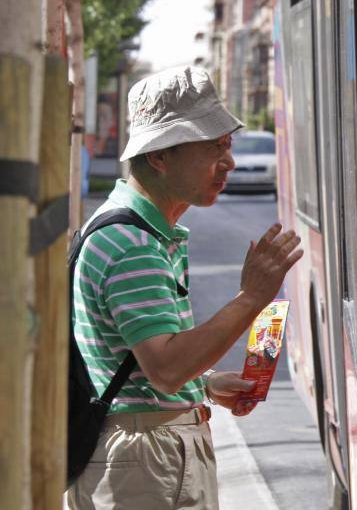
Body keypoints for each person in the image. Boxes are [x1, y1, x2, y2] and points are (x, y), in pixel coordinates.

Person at [67, 66, 303, 509]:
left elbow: (140, 360)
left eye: (228, 145)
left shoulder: (141, 232)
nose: (229, 162)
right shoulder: (130, 242)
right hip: (144, 461)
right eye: (214, 147)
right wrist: (252, 297)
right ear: (159, 156)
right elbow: (167, 368)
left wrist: (207, 384)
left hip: (148, 456)